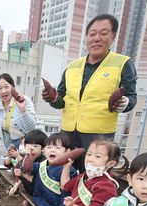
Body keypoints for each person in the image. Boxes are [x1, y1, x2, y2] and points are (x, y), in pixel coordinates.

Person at [42, 14, 137, 172]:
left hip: (99, 134)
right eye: (92, 34)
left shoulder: (123, 63)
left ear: (112, 36)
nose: (97, 38)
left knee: (93, 173)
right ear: (87, 38)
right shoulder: (72, 66)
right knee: (64, 170)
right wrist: (52, 98)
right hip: (68, 131)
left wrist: (124, 103)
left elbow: (131, 97)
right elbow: (61, 99)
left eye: (103, 33)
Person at [60, 139, 127, 206]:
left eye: (98, 156)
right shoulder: (84, 176)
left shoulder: (106, 186)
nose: (90, 159)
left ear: (110, 163)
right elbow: (65, 186)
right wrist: (66, 167)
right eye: (89, 154)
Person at [30, 133, 77, 206]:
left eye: (57, 148)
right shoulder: (42, 164)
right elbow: (28, 169)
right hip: (37, 205)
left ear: (67, 151)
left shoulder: (70, 171)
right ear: (44, 150)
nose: (52, 150)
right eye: (48, 147)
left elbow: (67, 194)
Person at [5, 129, 47, 195]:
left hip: (38, 194)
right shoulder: (26, 157)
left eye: (35, 146)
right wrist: (15, 186)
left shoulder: (44, 162)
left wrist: (22, 174)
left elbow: (36, 181)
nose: (31, 149)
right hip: (29, 191)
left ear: (43, 148)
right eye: (28, 146)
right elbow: (7, 164)